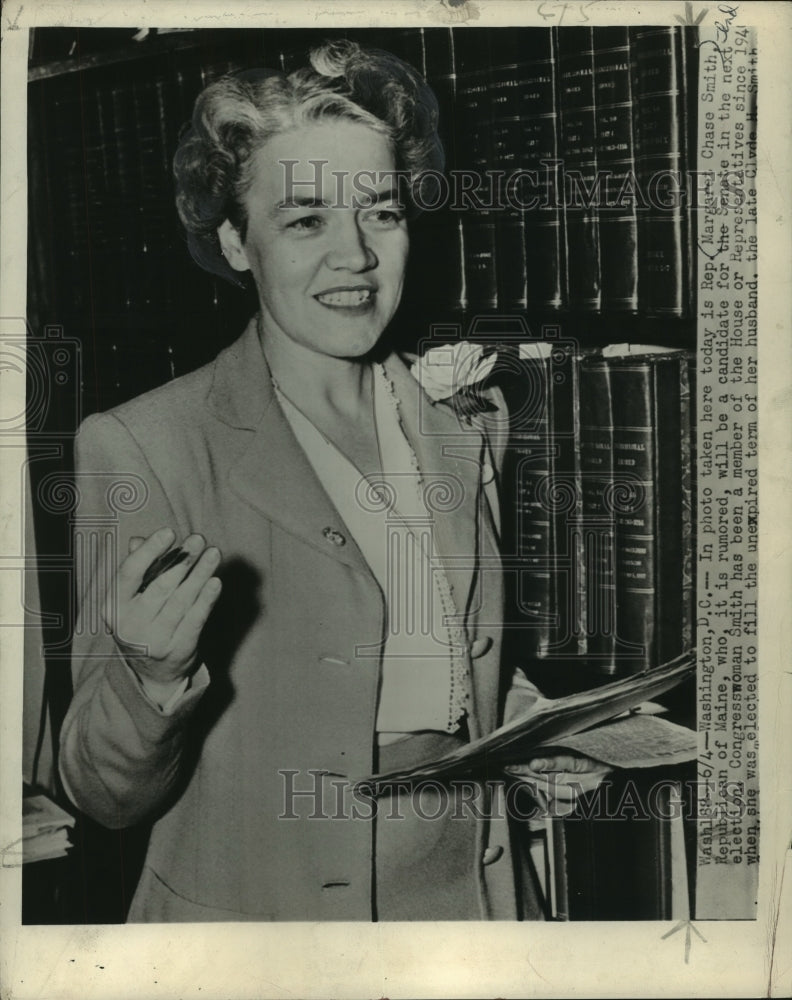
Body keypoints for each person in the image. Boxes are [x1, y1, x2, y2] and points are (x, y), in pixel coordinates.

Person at [59, 39, 607, 922]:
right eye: (306, 219)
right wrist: (151, 676)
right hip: (262, 926)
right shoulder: (144, 445)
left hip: (473, 913)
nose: (354, 255)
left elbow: (451, 673)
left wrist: (533, 736)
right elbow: (99, 792)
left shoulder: (465, 419)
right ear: (237, 240)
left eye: (380, 213)